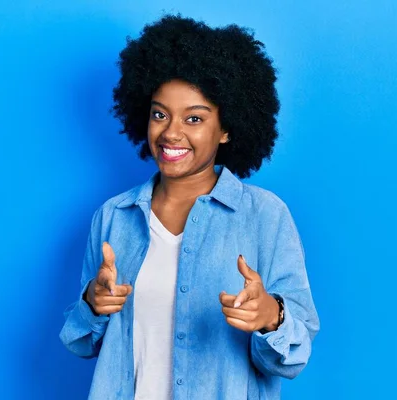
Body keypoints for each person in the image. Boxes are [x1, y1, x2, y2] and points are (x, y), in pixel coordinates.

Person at [60, 14, 319, 400]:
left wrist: (270, 317)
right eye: (160, 114)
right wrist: (93, 304)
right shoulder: (113, 217)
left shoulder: (266, 216)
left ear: (227, 128)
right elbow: (81, 344)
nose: (171, 132)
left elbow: (292, 359)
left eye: (194, 118)